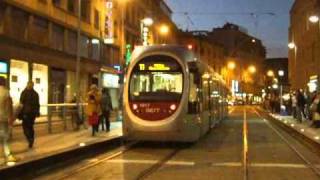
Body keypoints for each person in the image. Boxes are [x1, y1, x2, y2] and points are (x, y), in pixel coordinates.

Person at [20, 81, 40, 148]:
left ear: (27, 85)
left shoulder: (24, 92)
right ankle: (31, 139)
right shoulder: (36, 94)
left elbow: (21, 103)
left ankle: (30, 139)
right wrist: (37, 112)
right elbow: (37, 104)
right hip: (33, 113)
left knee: (25, 126)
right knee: (30, 126)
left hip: (26, 113)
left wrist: (19, 113)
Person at [0, 77, 16, 162]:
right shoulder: (6, 92)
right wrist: (11, 117)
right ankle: (8, 154)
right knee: (5, 136)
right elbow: (9, 106)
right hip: (3, 117)